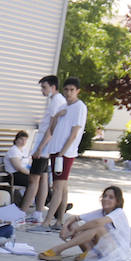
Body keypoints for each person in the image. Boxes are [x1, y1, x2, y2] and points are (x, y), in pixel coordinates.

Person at [39, 186, 131, 261]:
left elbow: (97, 223)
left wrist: (75, 231)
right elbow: (74, 218)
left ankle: (58, 249)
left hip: (117, 252)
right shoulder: (101, 212)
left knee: (97, 228)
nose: (106, 199)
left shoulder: (119, 212)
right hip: (103, 248)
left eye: (111, 197)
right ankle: (89, 252)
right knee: (74, 224)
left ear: (118, 201)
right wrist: (65, 228)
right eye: (105, 196)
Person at [43, 77, 88, 228]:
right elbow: (52, 129)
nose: (69, 93)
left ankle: (47, 221)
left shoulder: (79, 107)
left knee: (57, 187)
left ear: (77, 91)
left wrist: (62, 152)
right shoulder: (64, 106)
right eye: (66, 90)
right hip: (56, 150)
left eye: (72, 90)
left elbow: (75, 132)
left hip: (65, 153)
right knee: (63, 187)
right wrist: (57, 116)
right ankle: (60, 220)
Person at [21, 75, 67, 223]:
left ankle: (22, 213)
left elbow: (51, 128)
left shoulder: (56, 101)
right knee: (43, 179)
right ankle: (37, 213)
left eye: (44, 87)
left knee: (33, 180)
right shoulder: (56, 100)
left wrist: (39, 149)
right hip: (48, 147)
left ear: (53, 87)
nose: (42, 90)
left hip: (45, 146)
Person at [3, 130, 32, 202]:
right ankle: (25, 202)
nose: (23, 141)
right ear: (16, 140)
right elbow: (18, 167)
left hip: (24, 173)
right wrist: (31, 174)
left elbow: (30, 163)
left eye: (25, 140)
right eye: (21, 139)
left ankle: (46, 200)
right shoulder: (13, 150)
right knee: (33, 181)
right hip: (14, 175)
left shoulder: (25, 150)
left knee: (40, 179)